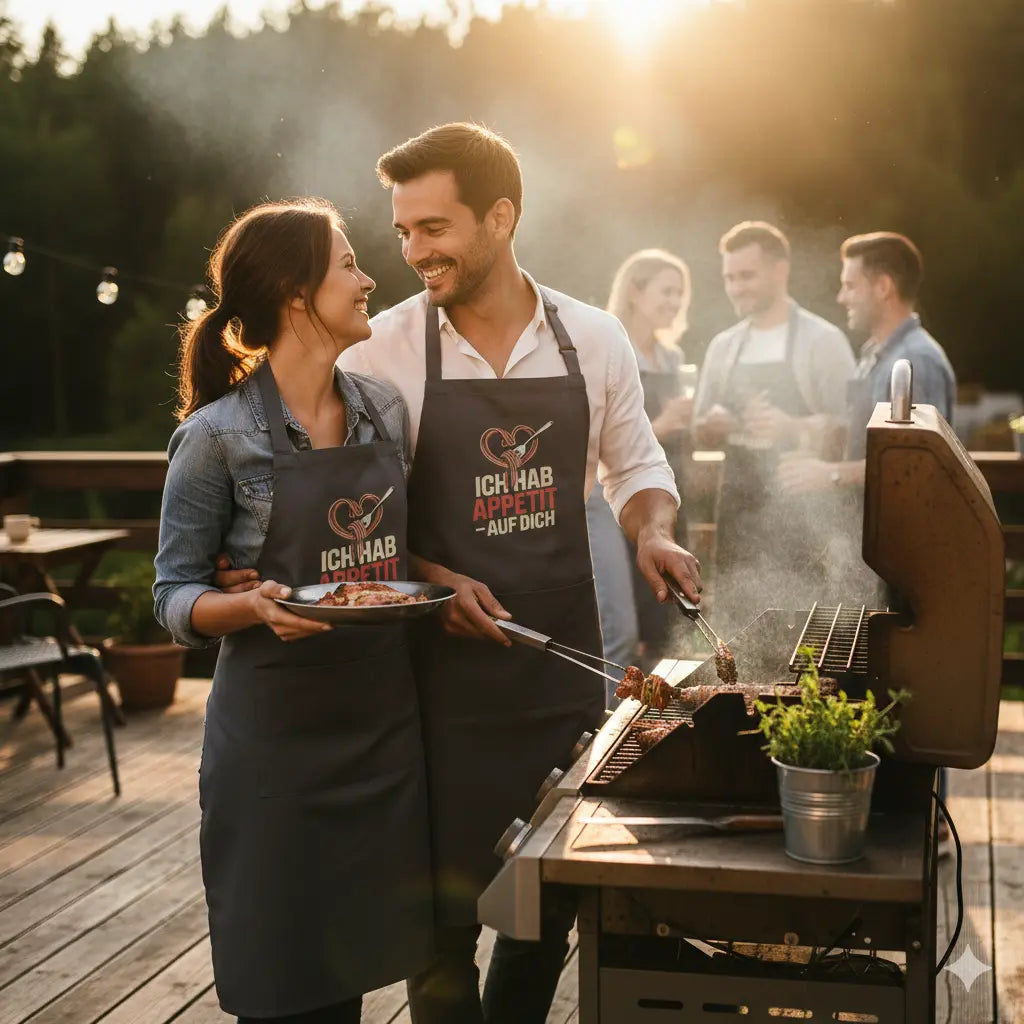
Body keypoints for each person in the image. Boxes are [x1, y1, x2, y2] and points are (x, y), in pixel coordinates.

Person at [339, 123, 701, 1024]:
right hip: (433, 684)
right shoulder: (379, 353)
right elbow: (349, 530)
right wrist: (431, 578)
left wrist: (654, 532)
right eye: (404, 233)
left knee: (547, 904)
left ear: (501, 217)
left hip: (557, 673)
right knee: (440, 921)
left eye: (435, 228)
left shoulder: (593, 336)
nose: (416, 252)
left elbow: (637, 468)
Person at [153, 199, 433, 1023]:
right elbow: (172, 597)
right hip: (274, 748)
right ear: (296, 293)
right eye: (348, 263)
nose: (368, 276)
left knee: (345, 979)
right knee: (282, 984)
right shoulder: (215, 438)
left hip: (379, 730)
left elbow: (398, 557)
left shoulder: (385, 410)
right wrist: (253, 610)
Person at [692, 221, 855, 630]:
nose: (736, 287)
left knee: (804, 638)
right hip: (735, 515)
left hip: (803, 519)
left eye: (746, 275)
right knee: (736, 633)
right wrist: (714, 425)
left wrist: (792, 429)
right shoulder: (724, 346)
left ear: (780, 270)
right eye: (729, 277)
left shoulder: (823, 341)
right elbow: (697, 429)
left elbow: (852, 433)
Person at [778, 231, 956, 603]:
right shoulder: (874, 354)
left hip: (901, 558)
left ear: (883, 287)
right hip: (869, 547)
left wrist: (828, 475)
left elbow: (915, 467)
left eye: (850, 286)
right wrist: (811, 438)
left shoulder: (916, 361)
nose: (842, 297)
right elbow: (866, 437)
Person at [587, 248, 694, 679]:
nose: (675, 302)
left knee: (661, 618)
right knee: (619, 623)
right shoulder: (606, 348)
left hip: (662, 496)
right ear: (634, 291)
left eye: (680, 294)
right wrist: (664, 424)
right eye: (666, 291)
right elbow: (600, 435)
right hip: (609, 498)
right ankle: (607, 723)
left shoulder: (671, 357)